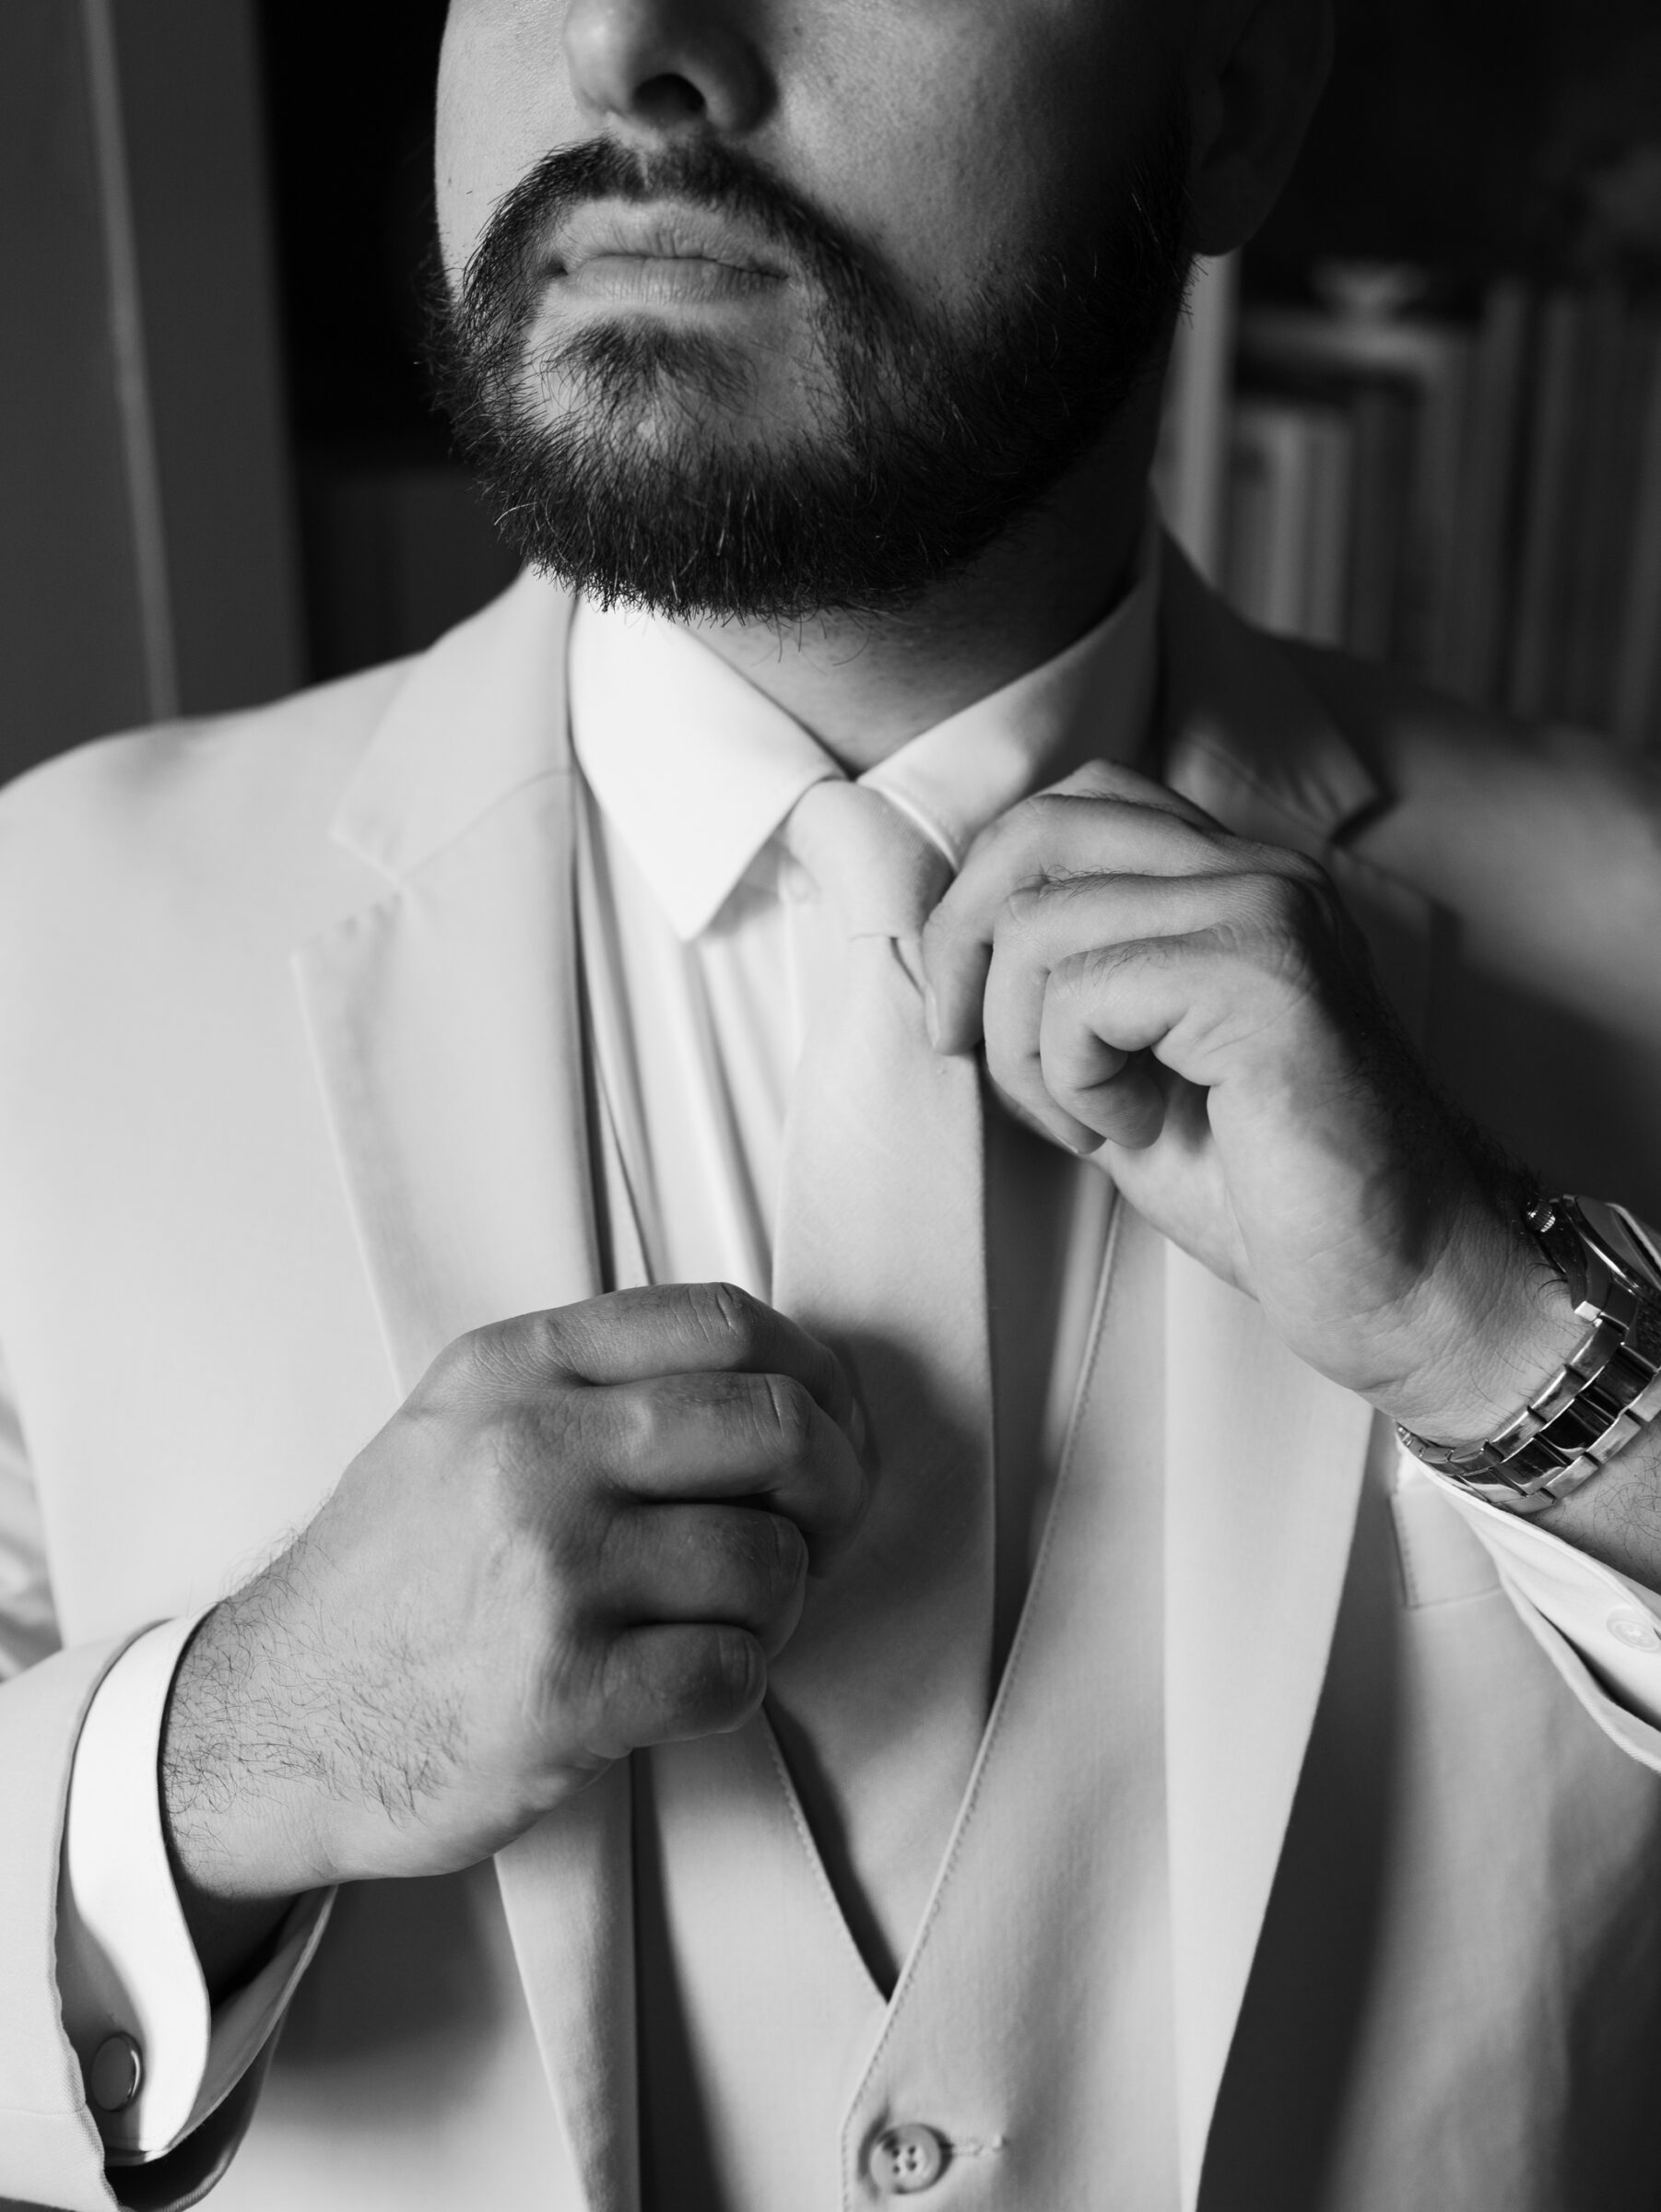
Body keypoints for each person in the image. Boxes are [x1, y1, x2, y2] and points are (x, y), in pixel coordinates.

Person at [5, 0, 1661, 2206]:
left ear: (1236, 102)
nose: (631, 46)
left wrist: (1508, 1341)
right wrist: (227, 1752)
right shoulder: (44, 944)